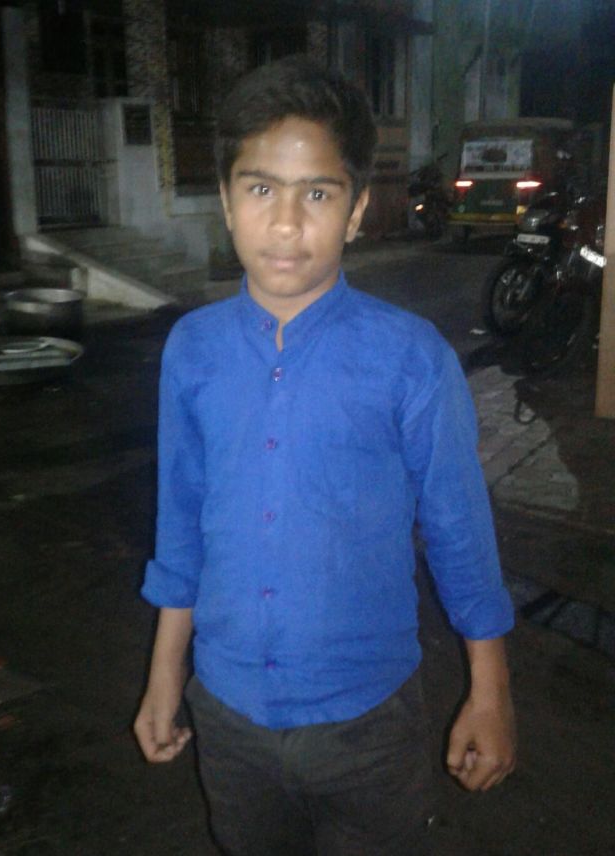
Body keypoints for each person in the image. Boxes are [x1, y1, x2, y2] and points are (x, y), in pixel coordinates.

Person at [134, 55, 516, 856]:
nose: (285, 224)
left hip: (369, 722)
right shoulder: (193, 350)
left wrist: (490, 691)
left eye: (317, 194)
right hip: (228, 712)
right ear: (227, 201)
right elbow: (183, 521)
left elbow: (459, 528)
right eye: (260, 189)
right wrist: (166, 672)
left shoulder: (409, 358)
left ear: (356, 210)